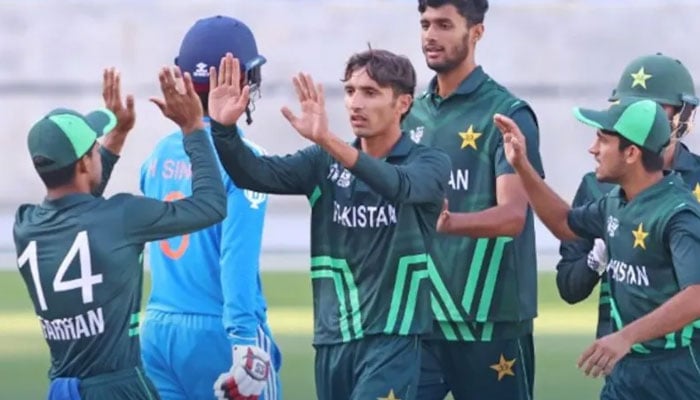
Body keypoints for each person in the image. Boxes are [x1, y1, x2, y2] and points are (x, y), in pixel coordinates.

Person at [209, 50, 450, 400]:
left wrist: (328, 141)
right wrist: (224, 130)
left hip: (392, 338)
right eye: (350, 91)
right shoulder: (322, 162)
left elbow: (399, 186)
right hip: (332, 340)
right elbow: (253, 173)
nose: (355, 103)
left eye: (370, 92)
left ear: (403, 103)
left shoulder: (428, 162)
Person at [13, 67, 226, 400]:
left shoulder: (25, 225)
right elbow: (212, 205)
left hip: (63, 388)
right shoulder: (123, 217)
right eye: (96, 149)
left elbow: (81, 206)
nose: (101, 151)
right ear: (84, 163)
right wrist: (193, 128)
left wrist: (117, 136)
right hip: (119, 388)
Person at [496, 97, 700, 399]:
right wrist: (522, 166)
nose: (592, 149)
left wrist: (625, 337)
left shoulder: (679, 214)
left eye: (602, 141)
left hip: (677, 375)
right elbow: (564, 224)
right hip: (625, 372)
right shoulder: (615, 202)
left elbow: (696, 296)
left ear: (631, 153)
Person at [400, 1, 543, 398]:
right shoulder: (411, 114)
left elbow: (513, 216)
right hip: (422, 318)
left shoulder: (507, 113)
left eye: (445, 24)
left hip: (490, 321)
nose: (430, 34)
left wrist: (449, 223)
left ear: (476, 32)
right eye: (425, 23)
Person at [139, 15, 281, 400]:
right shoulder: (248, 160)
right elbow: (237, 257)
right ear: (243, 81)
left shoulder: (157, 155)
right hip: (220, 333)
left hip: (157, 330)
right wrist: (244, 340)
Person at [556, 53, 700, 340]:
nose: (645, 118)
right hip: (623, 360)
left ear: (683, 116)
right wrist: (598, 256)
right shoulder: (596, 186)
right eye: (628, 108)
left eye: (657, 108)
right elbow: (569, 288)